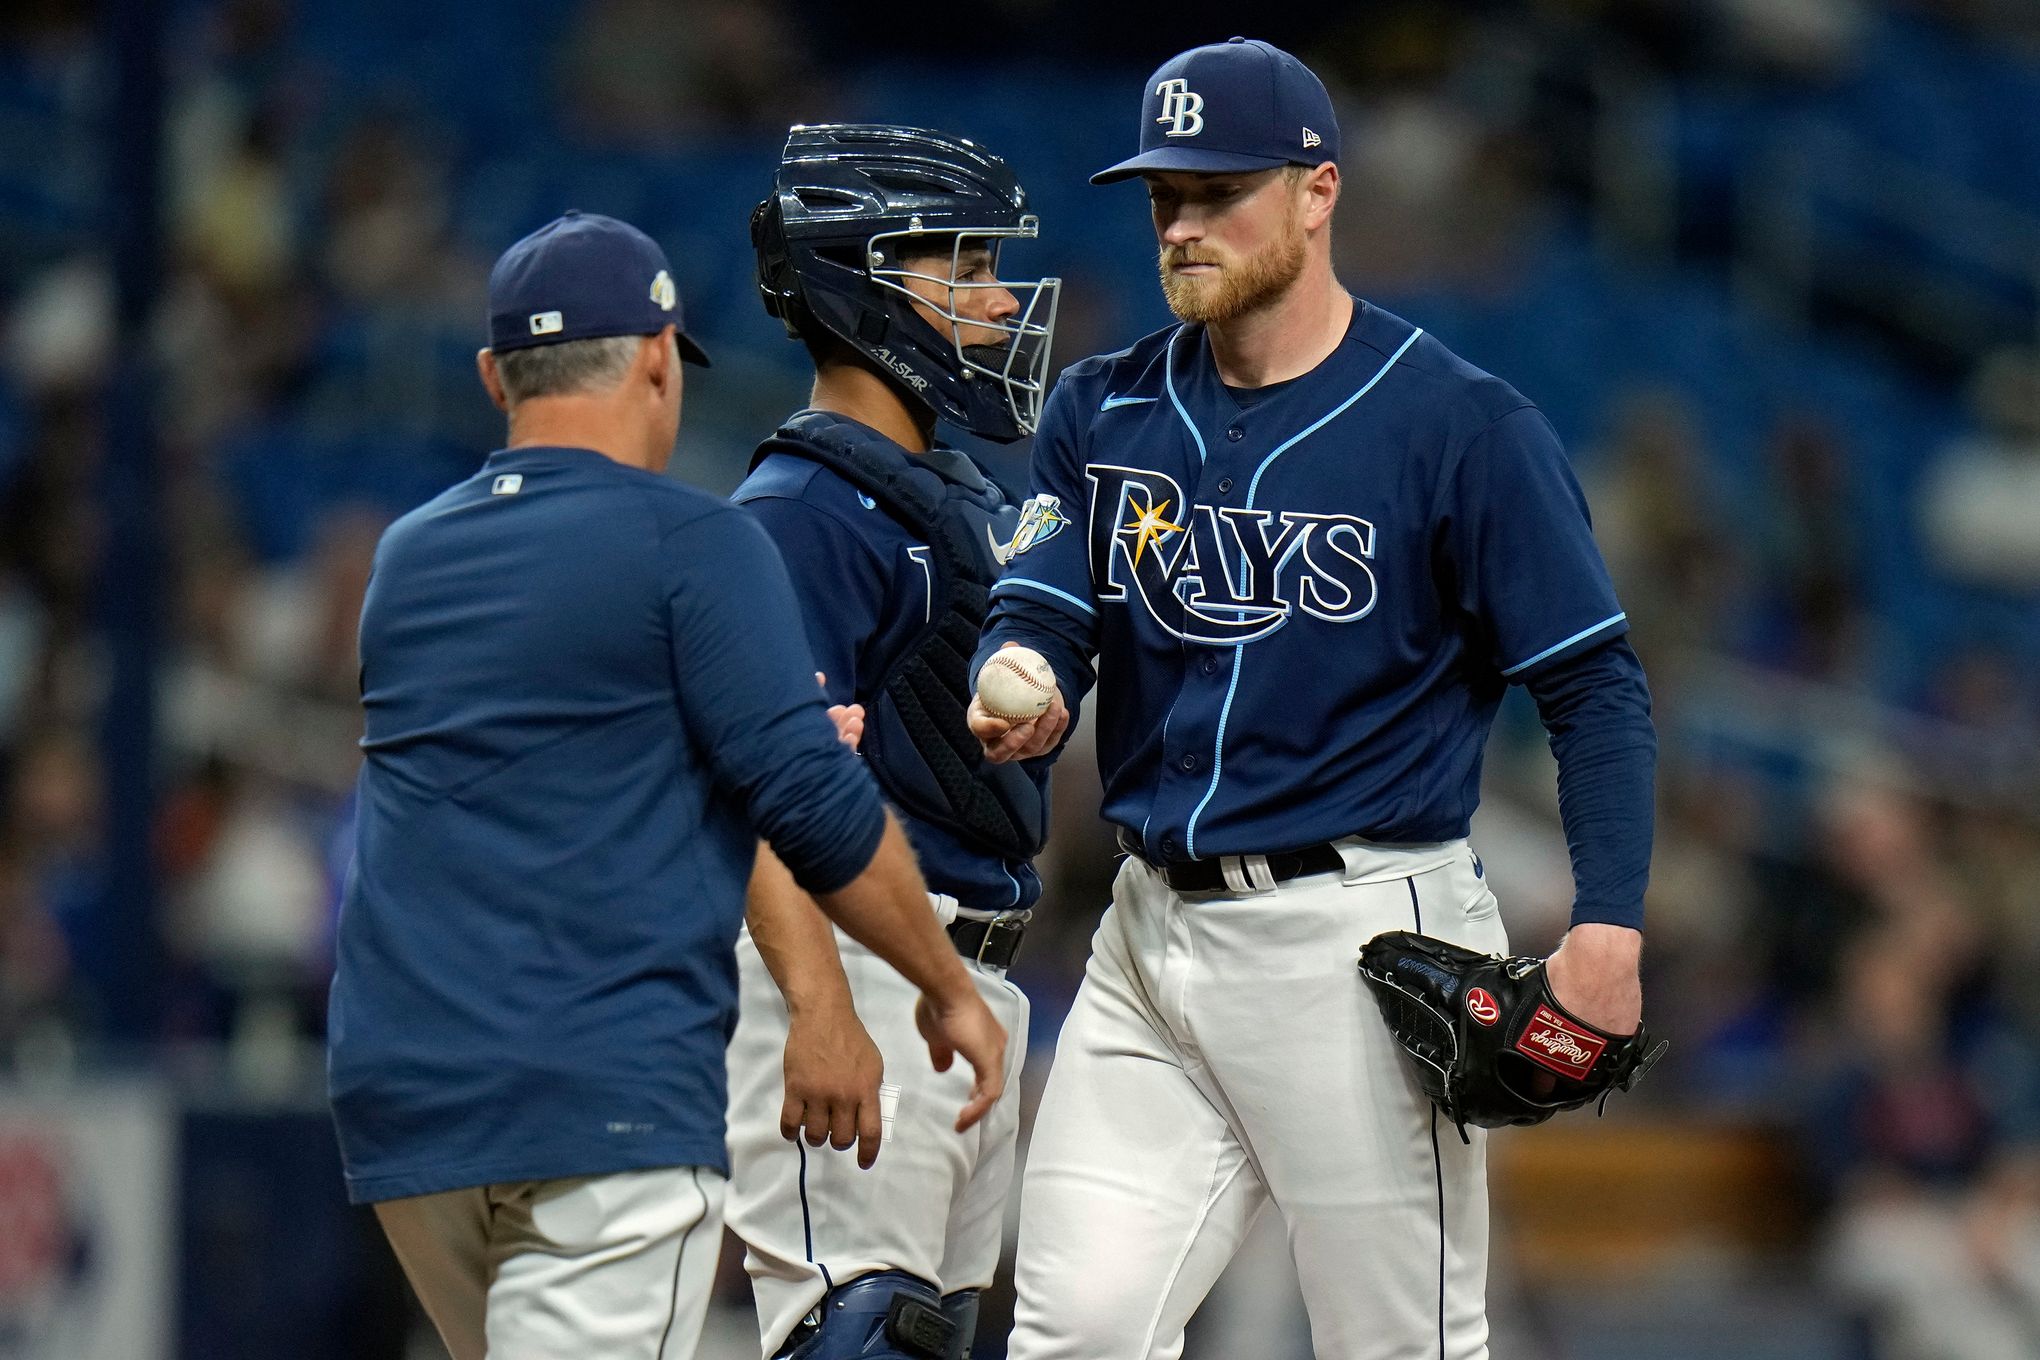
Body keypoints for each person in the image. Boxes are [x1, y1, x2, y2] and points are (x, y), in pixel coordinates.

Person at [971, 39, 1657, 1360]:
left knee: (1397, 1348)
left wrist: (1612, 927)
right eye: (1165, 196)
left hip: (1356, 937)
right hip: (1146, 935)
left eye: (1220, 191)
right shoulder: (1102, 409)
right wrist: (1028, 680)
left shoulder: (1459, 425)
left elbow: (1594, 689)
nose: (1184, 224)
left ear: (1317, 191)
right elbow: (1039, 611)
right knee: (1079, 1330)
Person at [325, 210, 1007, 1360]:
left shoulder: (406, 558)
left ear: (496, 374)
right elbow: (817, 808)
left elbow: (550, 748)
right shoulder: (692, 542)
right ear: (656, 359)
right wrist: (943, 984)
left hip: (407, 1097)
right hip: (600, 1087)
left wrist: (726, 735)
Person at [723, 124, 1061, 1360]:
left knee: (926, 1333)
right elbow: (755, 786)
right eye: (960, 267)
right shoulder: (799, 512)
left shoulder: (945, 496)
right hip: (856, 981)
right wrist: (820, 1008)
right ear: (866, 286)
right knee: (861, 1334)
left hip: (961, 981)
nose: (997, 298)